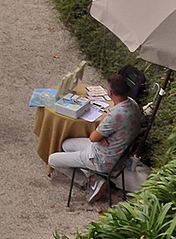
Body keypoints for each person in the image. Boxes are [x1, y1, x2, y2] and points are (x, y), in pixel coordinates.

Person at [48, 69, 145, 202]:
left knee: (52, 160)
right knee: (66, 144)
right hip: (116, 154)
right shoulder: (133, 105)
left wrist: (100, 135)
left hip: (101, 158)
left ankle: (89, 180)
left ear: (110, 92)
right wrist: (103, 136)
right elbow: (105, 130)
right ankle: (95, 177)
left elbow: (93, 137)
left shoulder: (116, 115)